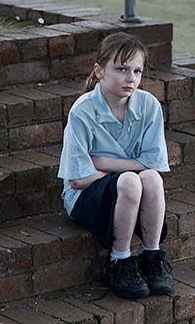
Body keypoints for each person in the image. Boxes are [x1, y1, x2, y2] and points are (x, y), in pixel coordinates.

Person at [58, 32, 173, 299]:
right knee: (132, 180)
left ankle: (151, 256)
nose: (130, 78)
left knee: (153, 179)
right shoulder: (83, 111)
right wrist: (129, 170)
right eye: (121, 69)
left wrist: (105, 163)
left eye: (137, 70)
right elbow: (77, 179)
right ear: (99, 71)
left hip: (127, 193)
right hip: (85, 198)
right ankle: (119, 260)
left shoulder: (148, 106)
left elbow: (154, 164)